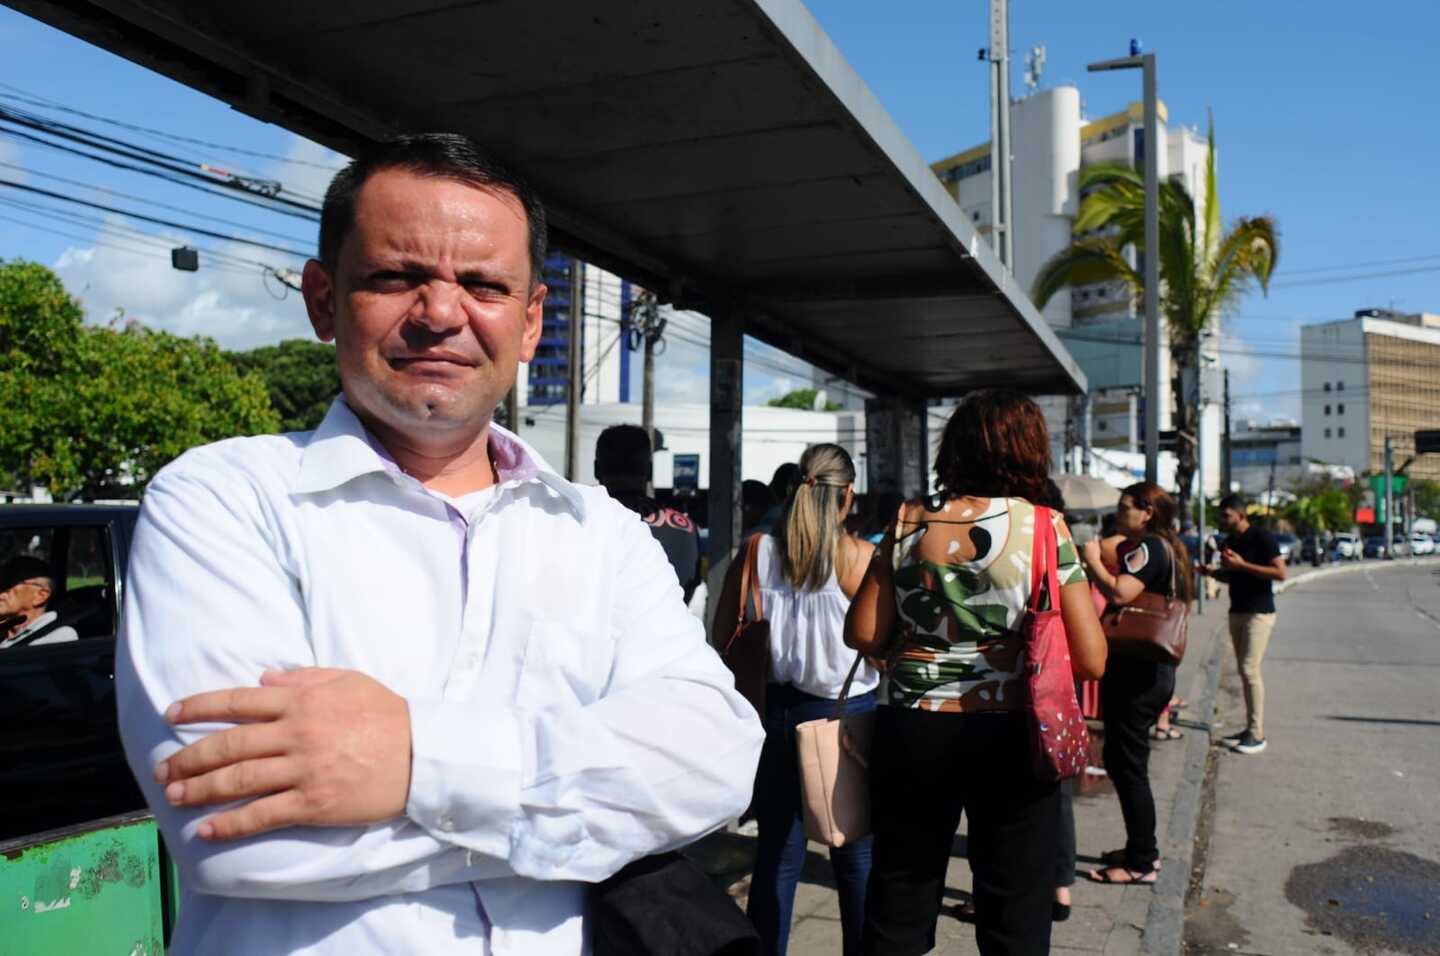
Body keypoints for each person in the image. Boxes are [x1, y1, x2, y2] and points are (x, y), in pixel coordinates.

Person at [114, 133, 764, 956]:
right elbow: (240, 830)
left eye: (485, 284)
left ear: (531, 323)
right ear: (322, 298)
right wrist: (580, 806)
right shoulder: (222, 500)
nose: (442, 313)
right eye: (396, 276)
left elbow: (712, 764)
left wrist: (412, 760)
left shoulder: (600, 534)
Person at [846, 389, 1107, 956]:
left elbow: (863, 632)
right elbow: (1091, 658)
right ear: (1029, 451)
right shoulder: (1044, 527)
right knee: (1014, 912)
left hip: (913, 726)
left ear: (955, 449)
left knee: (899, 901)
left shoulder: (909, 521)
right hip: (1015, 731)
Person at [713, 444, 877, 956]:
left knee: (778, 856)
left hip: (776, 716)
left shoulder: (758, 550)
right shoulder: (862, 557)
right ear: (848, 495)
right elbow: (882, 644)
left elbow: (723, 634)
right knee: (855, 855)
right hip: (845, 718)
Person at [1081, 482, 1193, 885]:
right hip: (1149, 671)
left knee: (1129, 767)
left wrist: (1094, 561)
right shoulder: (1166, 545)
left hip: (1137, 675)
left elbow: (1121, 589)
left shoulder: (1150, 548)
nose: (1118, 513)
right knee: (1126, 763)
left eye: (1124, 507)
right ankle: (1139, 847)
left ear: (1146, 511)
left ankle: (1142, 862)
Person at [1202, 493, 1286, 755]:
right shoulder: (1230, 540)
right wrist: (1213, 573)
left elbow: (1281, 573)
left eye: (1227, 515)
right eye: (1221, 515)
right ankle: (1248, 728)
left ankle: (1257, 733)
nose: (1223, 519)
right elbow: (1233, 576)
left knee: (1250, 670)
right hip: (1236, 610)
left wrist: (1243, 564)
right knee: (1243, 670)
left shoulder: (1262, 537)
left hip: (1259, 613)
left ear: (1241, 514)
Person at [594, 423, 703, 605]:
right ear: (650, 471)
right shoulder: (684, 527)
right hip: (668, 630)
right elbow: (687, 592)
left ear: (596, 469)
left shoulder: (572, 524)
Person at [0, 555, 79, 649]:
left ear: (40, 596)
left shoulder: (59, 636)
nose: (2, 591)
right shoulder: (4, 632)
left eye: (8, 584)